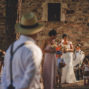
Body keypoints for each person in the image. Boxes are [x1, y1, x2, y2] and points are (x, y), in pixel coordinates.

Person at [2, 12, 44, 89]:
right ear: (36, 31)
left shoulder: (11, 48)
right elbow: (29, 79)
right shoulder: (34, 50)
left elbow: (4, 75)